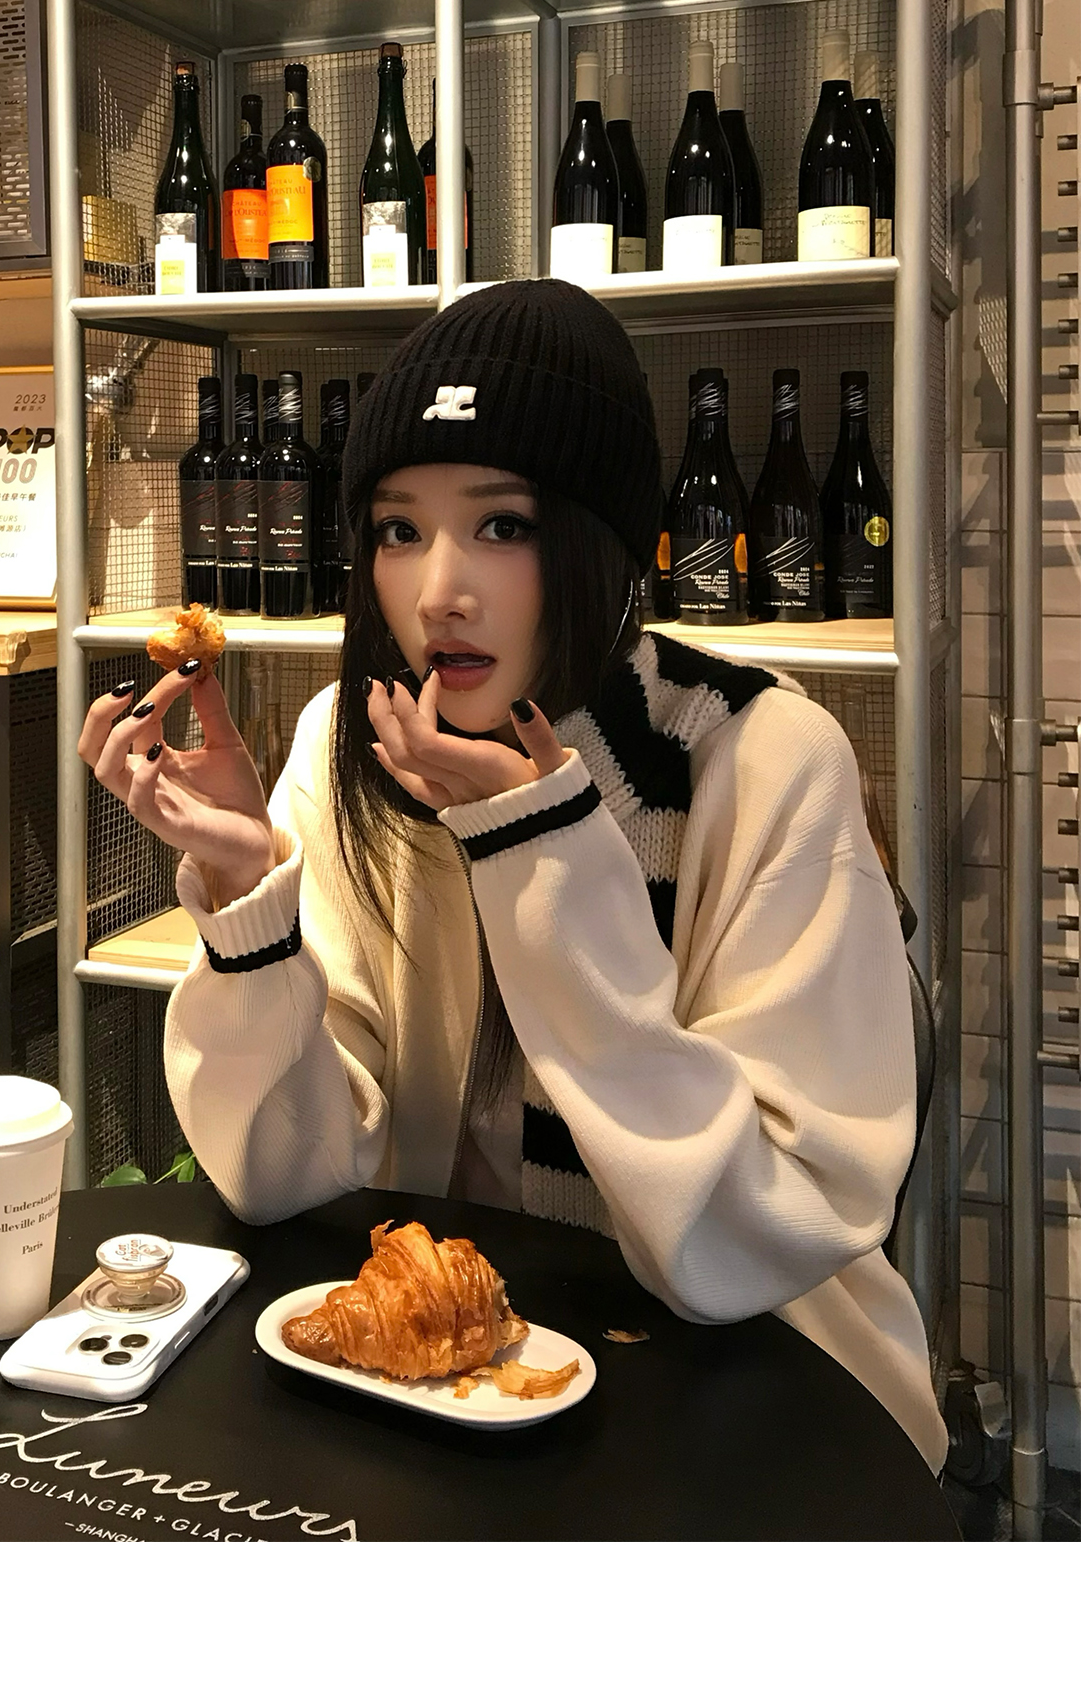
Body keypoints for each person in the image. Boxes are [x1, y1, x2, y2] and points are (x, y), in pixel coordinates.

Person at [80, 280, 947, 1470]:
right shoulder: (349, 746)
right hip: (454, 1389)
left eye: (502, 525)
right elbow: (284, 1176)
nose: (440, 590)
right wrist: (246, 902)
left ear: (599, 541)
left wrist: (543, 854)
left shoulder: (759, 757)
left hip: (760, 1389)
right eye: (398, 530)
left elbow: (751, 1242)